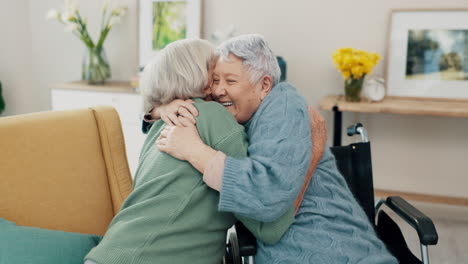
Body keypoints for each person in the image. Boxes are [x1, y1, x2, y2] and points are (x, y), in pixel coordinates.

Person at [155, 34, 398, 263]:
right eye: (215, 80)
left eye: (230, 81)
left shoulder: (283, 102)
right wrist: (160, 109)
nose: (218, 90)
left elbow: (266, 193)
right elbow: (182, 113)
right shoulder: (237, 115)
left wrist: (193, 151)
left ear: (264, 85)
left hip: (331, 247)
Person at [83, 39, 296, 264]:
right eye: (217, 76)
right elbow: (269, 223)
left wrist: (156, 110)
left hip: (111, 254)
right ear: (206, 83)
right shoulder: (214, 117)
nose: (222, 86)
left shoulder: (163, 122)